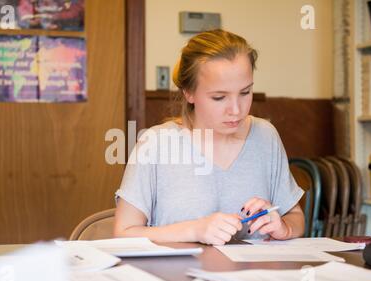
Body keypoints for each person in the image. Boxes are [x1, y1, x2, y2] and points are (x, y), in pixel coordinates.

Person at [114, 29, 305, 246]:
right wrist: (195, 230)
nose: (235, 110)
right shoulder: (156, 143)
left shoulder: (265, 136)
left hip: (253, 277)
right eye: (219, 97)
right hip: (177, 278)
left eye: (245, 93)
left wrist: (283, 227)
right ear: (189, 92)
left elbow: (296, 217)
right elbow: (123, 233)